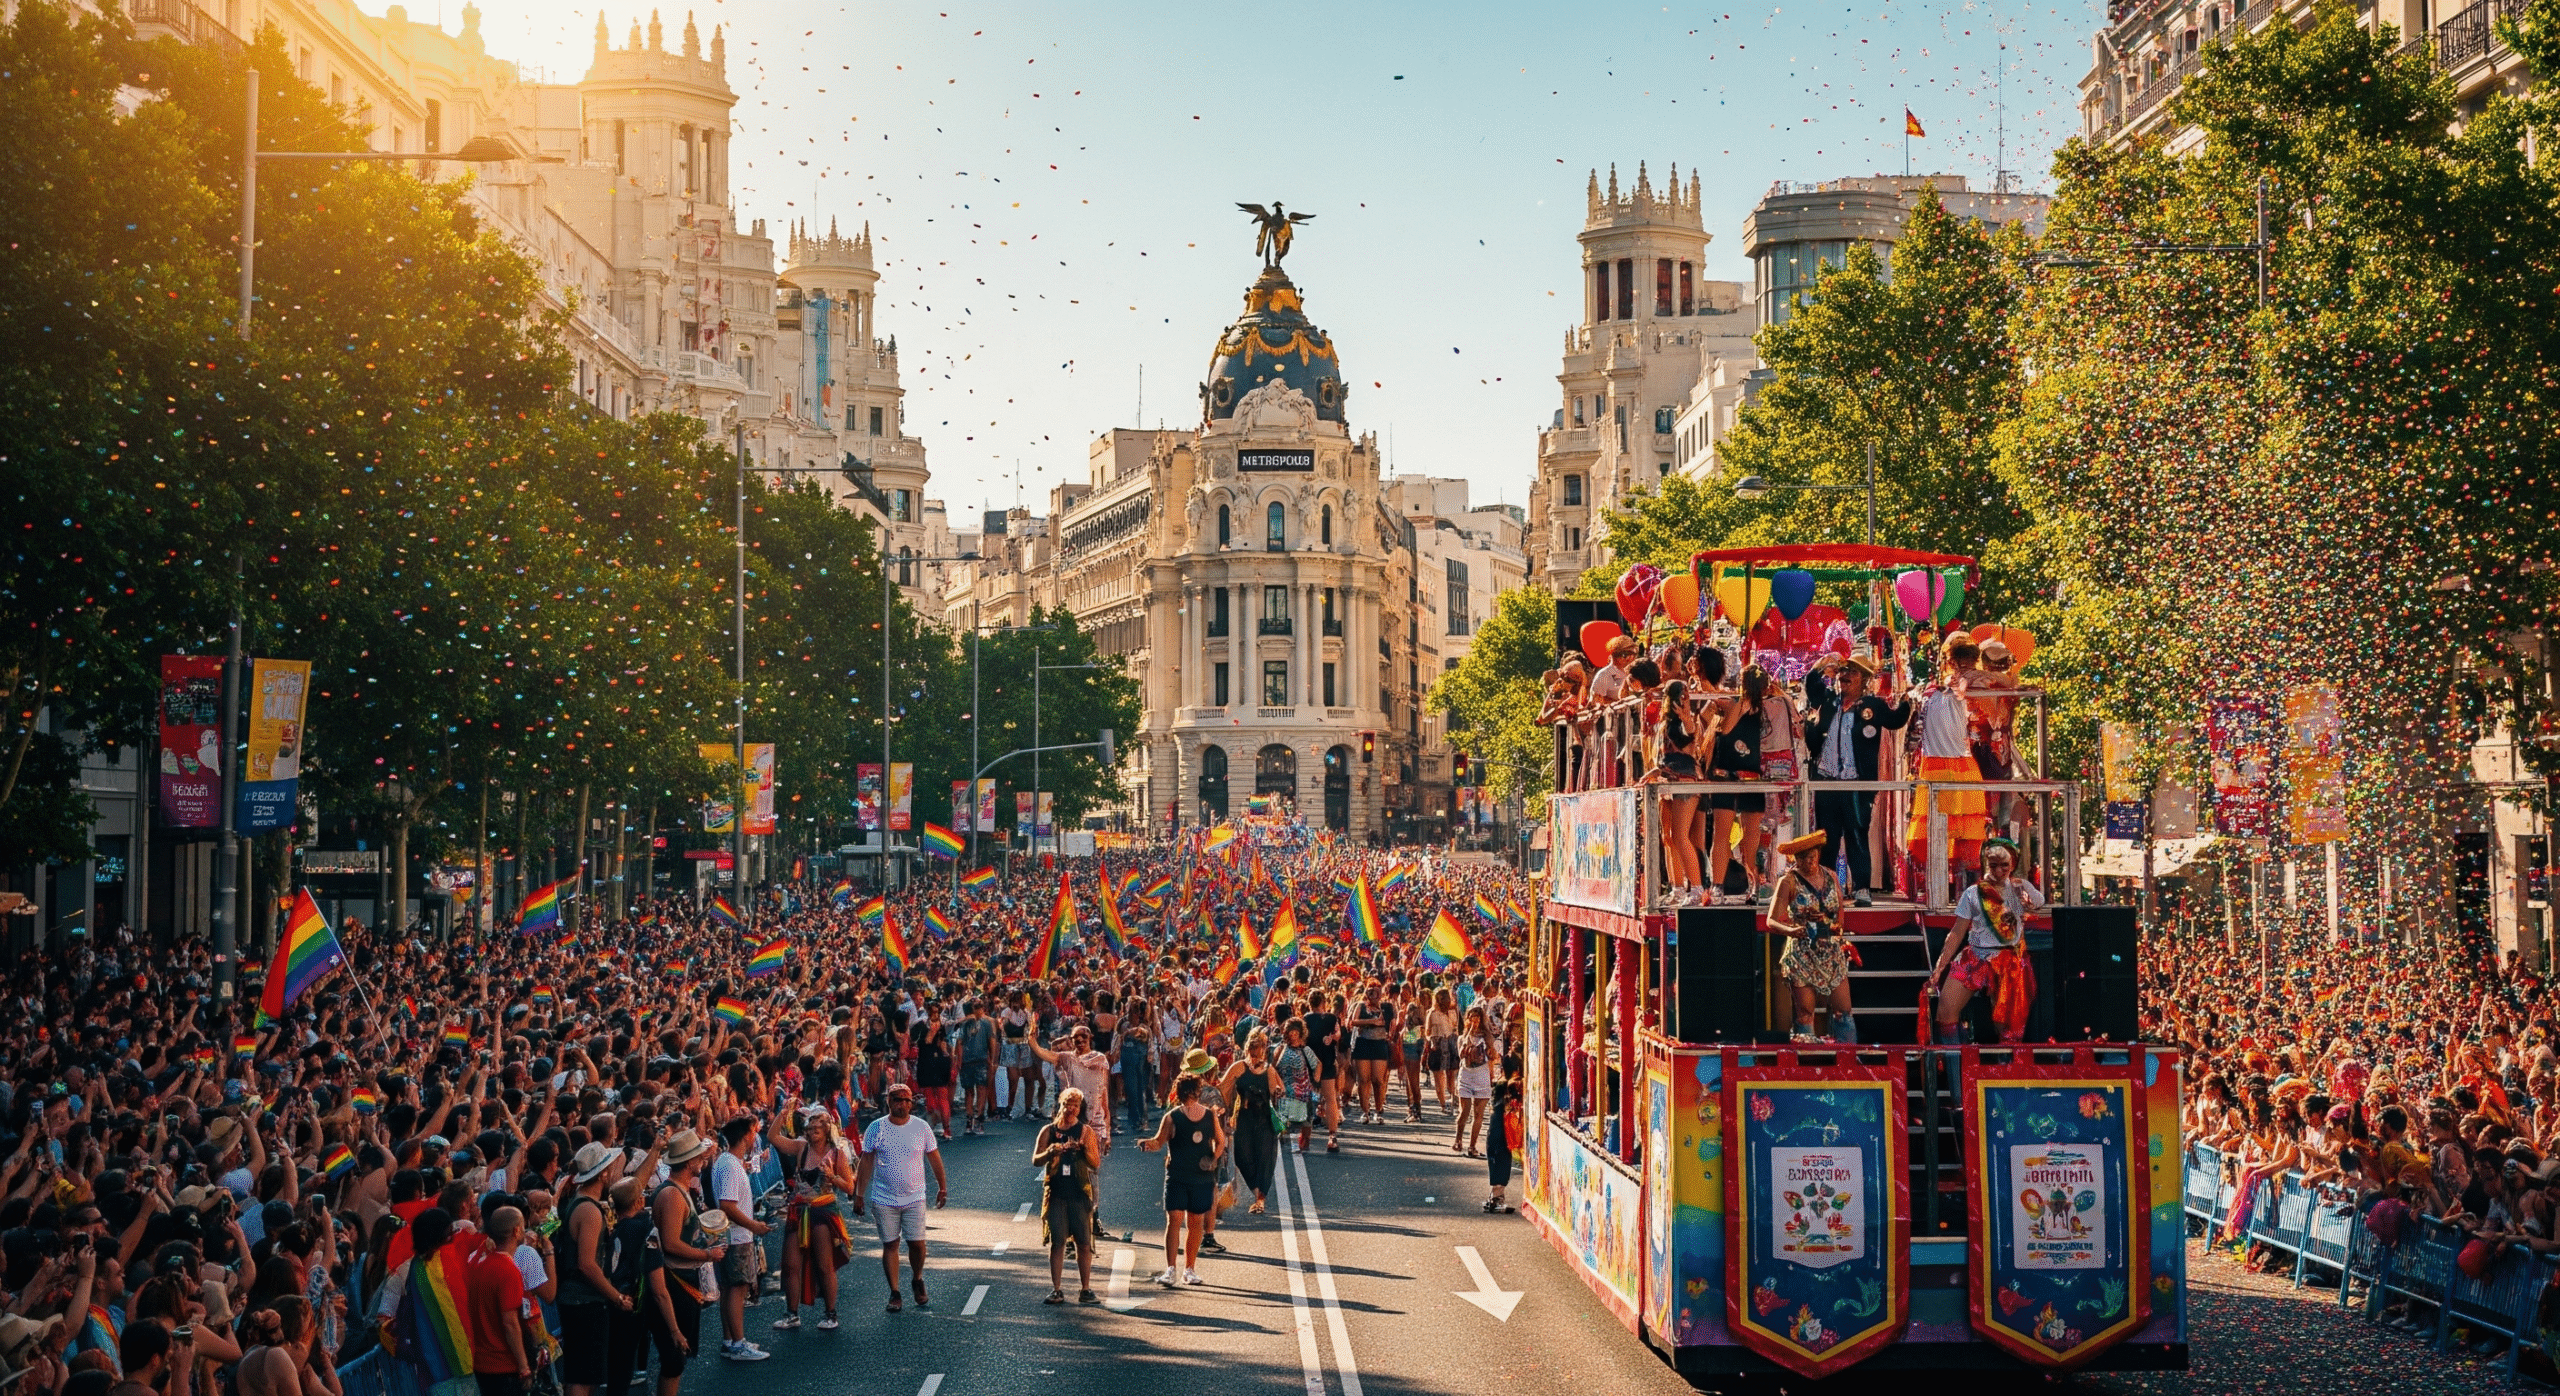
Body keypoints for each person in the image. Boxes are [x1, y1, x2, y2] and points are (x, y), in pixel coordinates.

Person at [1802, 654, 1911, 907]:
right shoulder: (1828, 701)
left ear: (1864, 679)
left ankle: (1862, 888)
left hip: (1857, 783)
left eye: (1852, 672)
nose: (1845, 676)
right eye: (1843, 671)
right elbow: (1810, 685)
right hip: (1827, 781)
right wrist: (1821, 666)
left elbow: (1896, 721)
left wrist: (1907, 702)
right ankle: (1828, 889)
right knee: (1827, 839)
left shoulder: (1872, 705)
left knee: (1857, 836)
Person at [1926, 839, 2043, 1044]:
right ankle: (1958, 1071)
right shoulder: (1973, 893)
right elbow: (1957, 932)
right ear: (1985, 864)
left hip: (2010, 963)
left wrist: (2026, 900)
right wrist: (1940, 966)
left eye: (2004, 865)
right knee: (1945, 1011)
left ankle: (2004, 1072)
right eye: (1993, 865)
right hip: (1976, 957)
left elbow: (2038, 903)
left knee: (2008, 1028)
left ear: (2013, 864)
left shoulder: (2020, 888)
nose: (1999, 871)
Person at [1905, 633, 1991, 895]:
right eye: (1959, 661)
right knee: (1937, 832)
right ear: (1950, 662)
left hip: (1959, 765)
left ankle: (1966, 893)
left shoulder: (1961, 689)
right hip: (1939, 766)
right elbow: (1917, 731)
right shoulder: (1936, 691)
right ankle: (1937, 891)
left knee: (1964, 833)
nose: (1963, 667)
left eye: (1968, 662)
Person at [853, 1083, 946, 1313]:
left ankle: (917, 1278)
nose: (902, 1104)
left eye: (906, 1100)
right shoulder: (877, 1128)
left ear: (911, 1104)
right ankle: (895, 1292)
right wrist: (859, 1194)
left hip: (915, 1196)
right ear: (889, 1102)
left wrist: (942, 1187)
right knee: (891, 1243)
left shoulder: (921, 1127)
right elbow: (866, 1161)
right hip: (884, 1197)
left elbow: (934, 1158)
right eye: (897, 1099)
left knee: (917, 1244)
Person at [641, 1131, 720, 1396]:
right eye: (699, 1156)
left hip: (682, 1278)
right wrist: (708, 1255)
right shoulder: (673, 1195)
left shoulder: (679, 1189)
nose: (703, 1159)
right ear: (689, 1162)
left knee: (677, 1359)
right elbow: (672, 1243)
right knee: (674, 1358)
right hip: (675, 1281)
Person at [765, 1104, 854, 1334]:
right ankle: (791, 1314)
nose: (813, 1132)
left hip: (822, 1212)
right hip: (798, 1210)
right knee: (790, 1264)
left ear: (827, 1131)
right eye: (811, 1128)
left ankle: (830, 1313)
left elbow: (850, 1187)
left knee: (825, 1265)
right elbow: (773, 1137)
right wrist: (782, 1115)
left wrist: (832, 1177)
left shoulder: (836, 1154)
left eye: (818, 1128)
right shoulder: (801, 1148)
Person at [1137, 1076, 1224, 1288]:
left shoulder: (1174, 1116)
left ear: (1178, 1092)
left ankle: (1173, 1270)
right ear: (1197, 1092)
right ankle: (1187, 1270)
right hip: (1195, 1176)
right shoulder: (1203, 1115)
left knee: (1175, 1221)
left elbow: (1159, 1143)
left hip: (1180, 1176)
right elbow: (1221, 1142)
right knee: (1193, 1222)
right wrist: (1213, 1160)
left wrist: (1145, 1144)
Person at [552, 1144, 624, 1396]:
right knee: (583, 1375)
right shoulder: (589, 1210)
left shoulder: (580, 1202)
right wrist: (615, 1296)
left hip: (578, 1298)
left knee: (584, 1372)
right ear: (602, 1173)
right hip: (584, 1300)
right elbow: (587, 1264)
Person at [1769, 830, 1854, 1042]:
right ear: (1795, 859)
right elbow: (1771, 920)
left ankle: (1849, 1058)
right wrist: (1791, 931)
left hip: (1830, 948)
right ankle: (1805, 1060)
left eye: (1813, 857)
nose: (1809, 863)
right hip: (1802, 951)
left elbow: (1839, 918)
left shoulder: (1831, 876)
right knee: (1805, 1012)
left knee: (1844, 1010)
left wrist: (1827, 921)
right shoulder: (1788, 881)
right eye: (1803, 859)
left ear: (1818, 854)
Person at [705, 1118, 770, 1361]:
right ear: (745, 1136)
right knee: (737, 1289)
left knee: (729, 1288)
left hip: (730, 1235)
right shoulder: (731, 1166)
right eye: (753, 1132)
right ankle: (738, 1343)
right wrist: (754, 1225)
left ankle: (730, 1340)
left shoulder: (726, 1161)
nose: (755, 1136)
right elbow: (728, 1205)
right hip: (737, 1236)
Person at [1034, 1089, 1102, 1306]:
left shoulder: (1085, 1131)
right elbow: (1036, 1159)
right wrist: (1051, 1152)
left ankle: (1086, 1288)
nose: (1071, 1109)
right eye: (1068, 1104)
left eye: (1075, 1105)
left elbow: (1095, 1162)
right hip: (1056, 1194)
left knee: (1083, 1242)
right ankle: (1056, 1289)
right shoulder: (1049, 1130)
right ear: (1061, 1105)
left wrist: (1082, 1149)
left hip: (1079, 1193)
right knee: (1058, 1242)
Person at [463, 1208, 531, 1396]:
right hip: (503, 1366)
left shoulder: (478, 1264)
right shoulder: (507, 1270)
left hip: (481, 1364)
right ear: (517, 1231)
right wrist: (524, 1366)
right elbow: (510, 1324)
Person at [1221, 1030, 1284, 1215]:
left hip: (1264, 1119)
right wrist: (1224, 1116)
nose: (1255, 1054)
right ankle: (1257, 1193)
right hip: (1244, 1118)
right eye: (1252, 1050)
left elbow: (1276, 1091)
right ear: (1247, 1049)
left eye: (1258, 1050)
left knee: (1265, 1160)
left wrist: (1278, 1092)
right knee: (1241, 1157)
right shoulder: (1238, 1067)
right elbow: (1223, 1090)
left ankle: (1260, 1199)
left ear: (1264, 1051)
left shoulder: (1269, 1070)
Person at [1486, 1017, 1525, 1214]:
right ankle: (1497, 1194)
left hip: (1510, 1112)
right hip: (1506, 1112)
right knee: (1499, 1147)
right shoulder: (1511, 1077)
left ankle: (1497, 1194)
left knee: (1499, 1149)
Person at [1273, 1020, 1320, 1156]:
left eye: (1296, 1032)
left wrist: (1315, 1081)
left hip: (1303, 1091)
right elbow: (1273, 1068)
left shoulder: (1305, 1050)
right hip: (1284, 1091)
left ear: (1301, 1033)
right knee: (1286, 1119)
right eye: (1290, 1032)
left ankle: (1304, 1142)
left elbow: (1317, 1064)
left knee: (1305, 1120)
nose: (1293, 1035)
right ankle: (1287, 1141)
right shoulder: (1280, 1049)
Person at [1452, 1006, 1493, 1157]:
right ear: (1468, 1019)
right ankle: (1458, 1139)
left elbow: (1493, 1054)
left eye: (1478, 1017)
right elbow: (1461, 1054)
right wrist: (1469, 1033)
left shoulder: (1487, 1037)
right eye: (1472, 1017)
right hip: (1466, 1076)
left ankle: (1472, 1146)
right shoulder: (1462, 1038)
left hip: (1481, 1076)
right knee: (1465, 1111)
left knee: (1478, 1113)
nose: (1475, 1020)